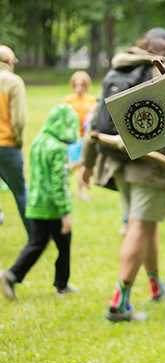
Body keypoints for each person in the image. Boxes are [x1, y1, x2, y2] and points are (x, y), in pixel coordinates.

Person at [80, 34, 165, 322]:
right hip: (153, 166)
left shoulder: (119, 69)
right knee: (139, 225)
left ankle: (156, 286)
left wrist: (87, 162)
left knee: (147, 227)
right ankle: (119, 303)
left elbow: (97, 115)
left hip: (119, 162)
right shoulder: (164, 72)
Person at [0, 104, 80, 301]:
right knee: (63, 243)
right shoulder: (58, 149)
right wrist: (65, 213)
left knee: (38, 242)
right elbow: (59, 184)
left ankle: (12, 276)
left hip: (35, 204)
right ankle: (61, 285)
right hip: (52, 207)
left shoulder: (39, 142)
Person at [0, 45, 32, 239]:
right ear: (10, 63)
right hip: (7, 145)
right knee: (21, 193)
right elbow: (18, 119)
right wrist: (18, 141)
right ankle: (35, 237)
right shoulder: (13, 82)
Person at [63, 70, 97, 201]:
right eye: (76, 85)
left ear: (86, 86)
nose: (79, 88)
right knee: (74, 164)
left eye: (82, 85)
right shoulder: (68, 100)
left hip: (85, 137)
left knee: (83, 165)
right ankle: (63, 184)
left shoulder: (91, 100)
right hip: (73, 137)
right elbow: (64, 119)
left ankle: (79, 192)